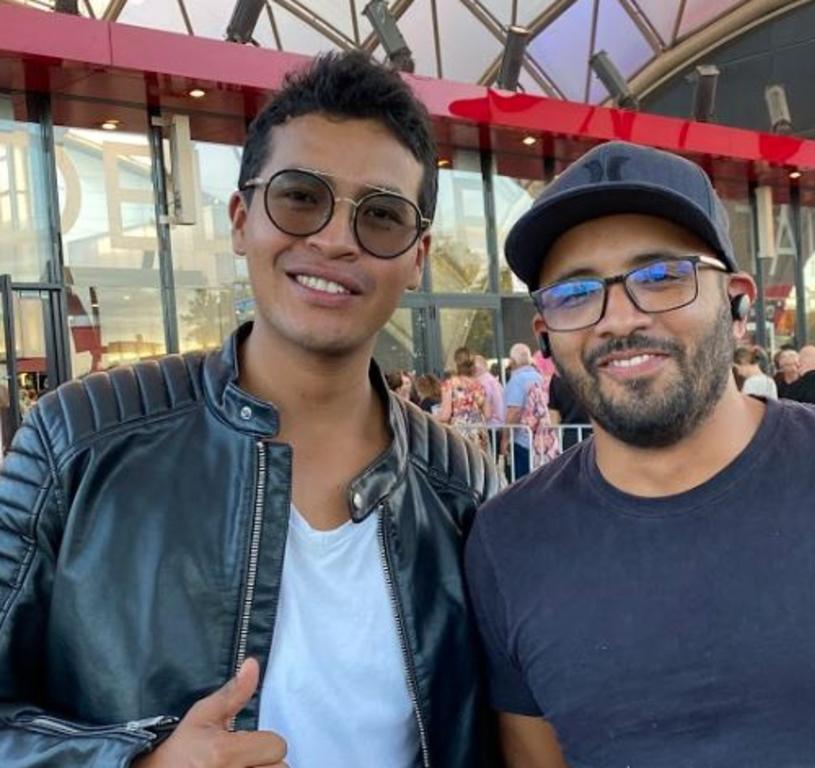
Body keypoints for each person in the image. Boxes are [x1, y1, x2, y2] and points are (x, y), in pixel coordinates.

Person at [0, 52, 499, 768]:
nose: (333, 239)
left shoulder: (464, 491)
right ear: (242, 220)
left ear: (416, 256)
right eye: (301, 197)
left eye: (381, 217)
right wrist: (135, 762)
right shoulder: (76, 442)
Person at [465, 140, 815, 767]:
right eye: (573, 294)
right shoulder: (509, 542)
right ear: (545, 335)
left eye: (660, 277)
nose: (617, 319)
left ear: (737, 304)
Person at [501, 343, 546, 479]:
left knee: (519, 482)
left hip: (521, 440)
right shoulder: (540, 377)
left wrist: (505, 439)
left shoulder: (517, 380)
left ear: (512, 361)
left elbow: (514, 411)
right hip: (540, 439)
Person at [438, 347, 491, 452]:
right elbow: (488, 413)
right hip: (478, 433)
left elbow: (445, 415)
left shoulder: (449, 384)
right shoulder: (478, 385)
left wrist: (430, 417)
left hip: (460, 433)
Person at [547, 370, 591, 449]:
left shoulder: (556, 378)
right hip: (592, 431)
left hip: (569, 433)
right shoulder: (590, 374)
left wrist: (558, 435)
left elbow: (553, 414)